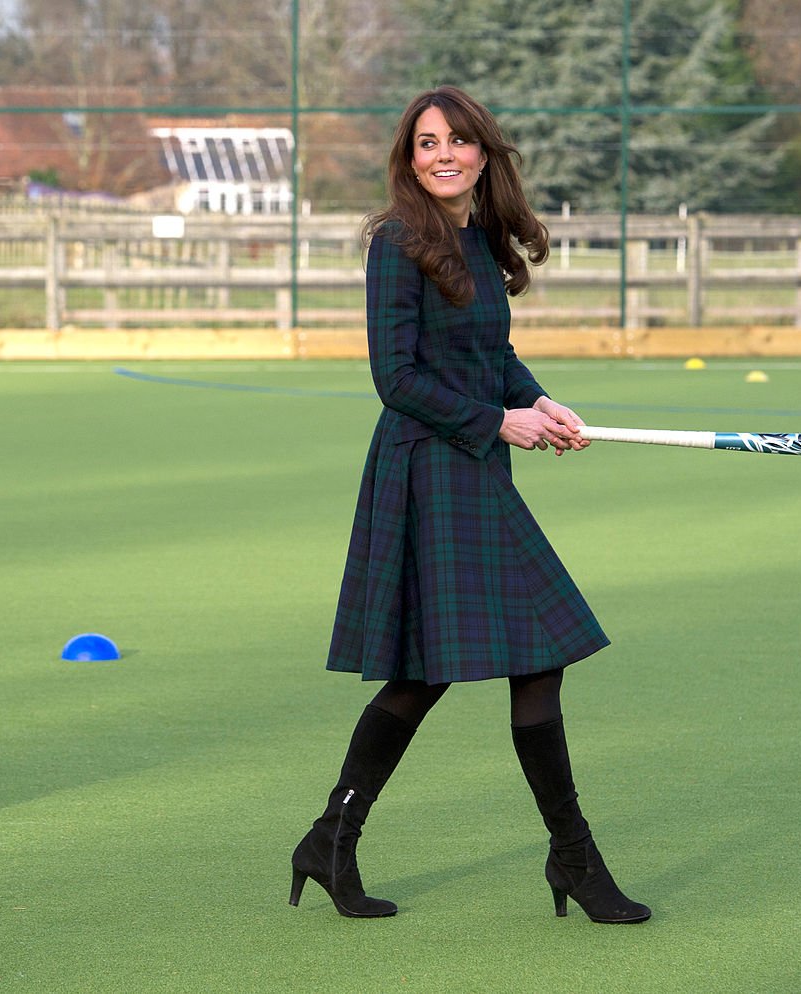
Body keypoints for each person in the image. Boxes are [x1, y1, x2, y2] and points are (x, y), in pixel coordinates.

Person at [289, 86, 650, 925]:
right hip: (426, 469)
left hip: (475, 466)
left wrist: (541, 402)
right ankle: (572, 860)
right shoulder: (395, 243)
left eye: (457, 141)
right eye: (425, 143)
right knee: (487, 659)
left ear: (485, 154)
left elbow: (495, 352)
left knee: (454, 668)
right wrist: (499, 421)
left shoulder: (479, 240)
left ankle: (332, 840)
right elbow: (397, 379)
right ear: (408, 159)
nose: (442, 154)